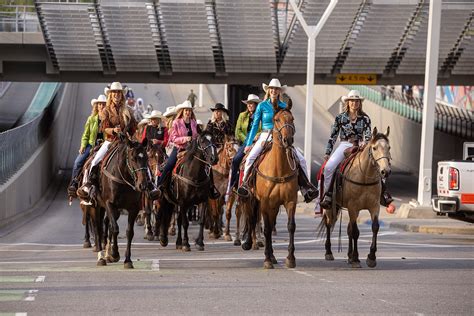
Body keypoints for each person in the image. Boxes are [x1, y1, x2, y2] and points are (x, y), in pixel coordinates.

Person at [237, 79, 318, 202]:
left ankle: (306, 187)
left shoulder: (284, 106)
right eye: (272, 89)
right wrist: (248, 144)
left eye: (276, 89)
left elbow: (288, 122)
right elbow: (254, 126)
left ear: (280, 91)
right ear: (268, 90)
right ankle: (245, 184)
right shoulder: (261, 105)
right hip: (265, 135)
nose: (274, 91)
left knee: (301, 159)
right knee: (250, 158)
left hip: (280, 136)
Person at [318, 90, 393, 209]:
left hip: (361, 145)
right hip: (345, 145)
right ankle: (328, 195)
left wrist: (365, 143)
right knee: (328, 168)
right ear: (347, 102)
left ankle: (383, 194)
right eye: (352, 101)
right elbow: (333, 136)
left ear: (360, 103)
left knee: (380, 165)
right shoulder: (340, 118)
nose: (354, 103)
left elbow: (368, 135)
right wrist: (328, 152)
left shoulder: (365, 118)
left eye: (357, 101)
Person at [155, 101, 219, 199]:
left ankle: (211, 187)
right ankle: (159, 187)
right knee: (169, 165)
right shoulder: (176, 122)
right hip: (179, 148)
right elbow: (173, 138)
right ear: (182, 111)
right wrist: (185, 138)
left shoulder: (193, 122)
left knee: (207, 165)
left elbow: (197, 134)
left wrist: (198, 138)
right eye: (186, 110)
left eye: (189, 110)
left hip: (192, 149)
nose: (188, 112)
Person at [68, 94, 106, 192]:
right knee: (78, 162)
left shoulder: (109, 119)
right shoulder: (91, 119)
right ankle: (74, 183)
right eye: (100, 104)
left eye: (104, 104)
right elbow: (86, 135)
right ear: (96, 106)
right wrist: (83, 146)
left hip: (105, 145)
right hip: (92, 145)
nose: (102, 106)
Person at [227, 94, 261, 195]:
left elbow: (264, 128)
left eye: (252, 104)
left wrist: (257, 136)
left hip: (258, 142)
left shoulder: (261, 116)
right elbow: (238, 131)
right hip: (246, 143)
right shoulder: (242, 115)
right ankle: (233, 184)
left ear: (256, 105)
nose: (250, 105)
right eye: (248, 104)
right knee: (235, 160)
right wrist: (247, 140)